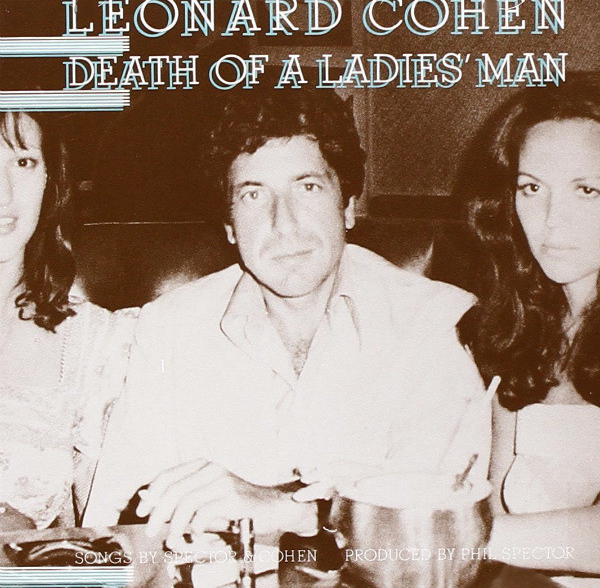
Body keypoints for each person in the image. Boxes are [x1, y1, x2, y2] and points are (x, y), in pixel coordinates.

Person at [85, 88, 486, 549]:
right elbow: (115, 528)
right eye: (253, 195)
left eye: (307, 187)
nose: (284, 223)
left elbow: (439, 528)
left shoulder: (435, 322)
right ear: (230, 226)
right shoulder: (168, 330)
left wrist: (289, 511)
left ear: (347, 207)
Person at [459, 73, 600, 582]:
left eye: (587, 190)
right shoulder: (523, 329)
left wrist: (457, 536)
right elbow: (497, 506)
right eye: (532, 188)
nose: (551, 219)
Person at [0, 111, 137, 531]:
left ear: (49, 180)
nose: (3, 193)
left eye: (23, 162)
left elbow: (104, 531)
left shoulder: (94, 343)